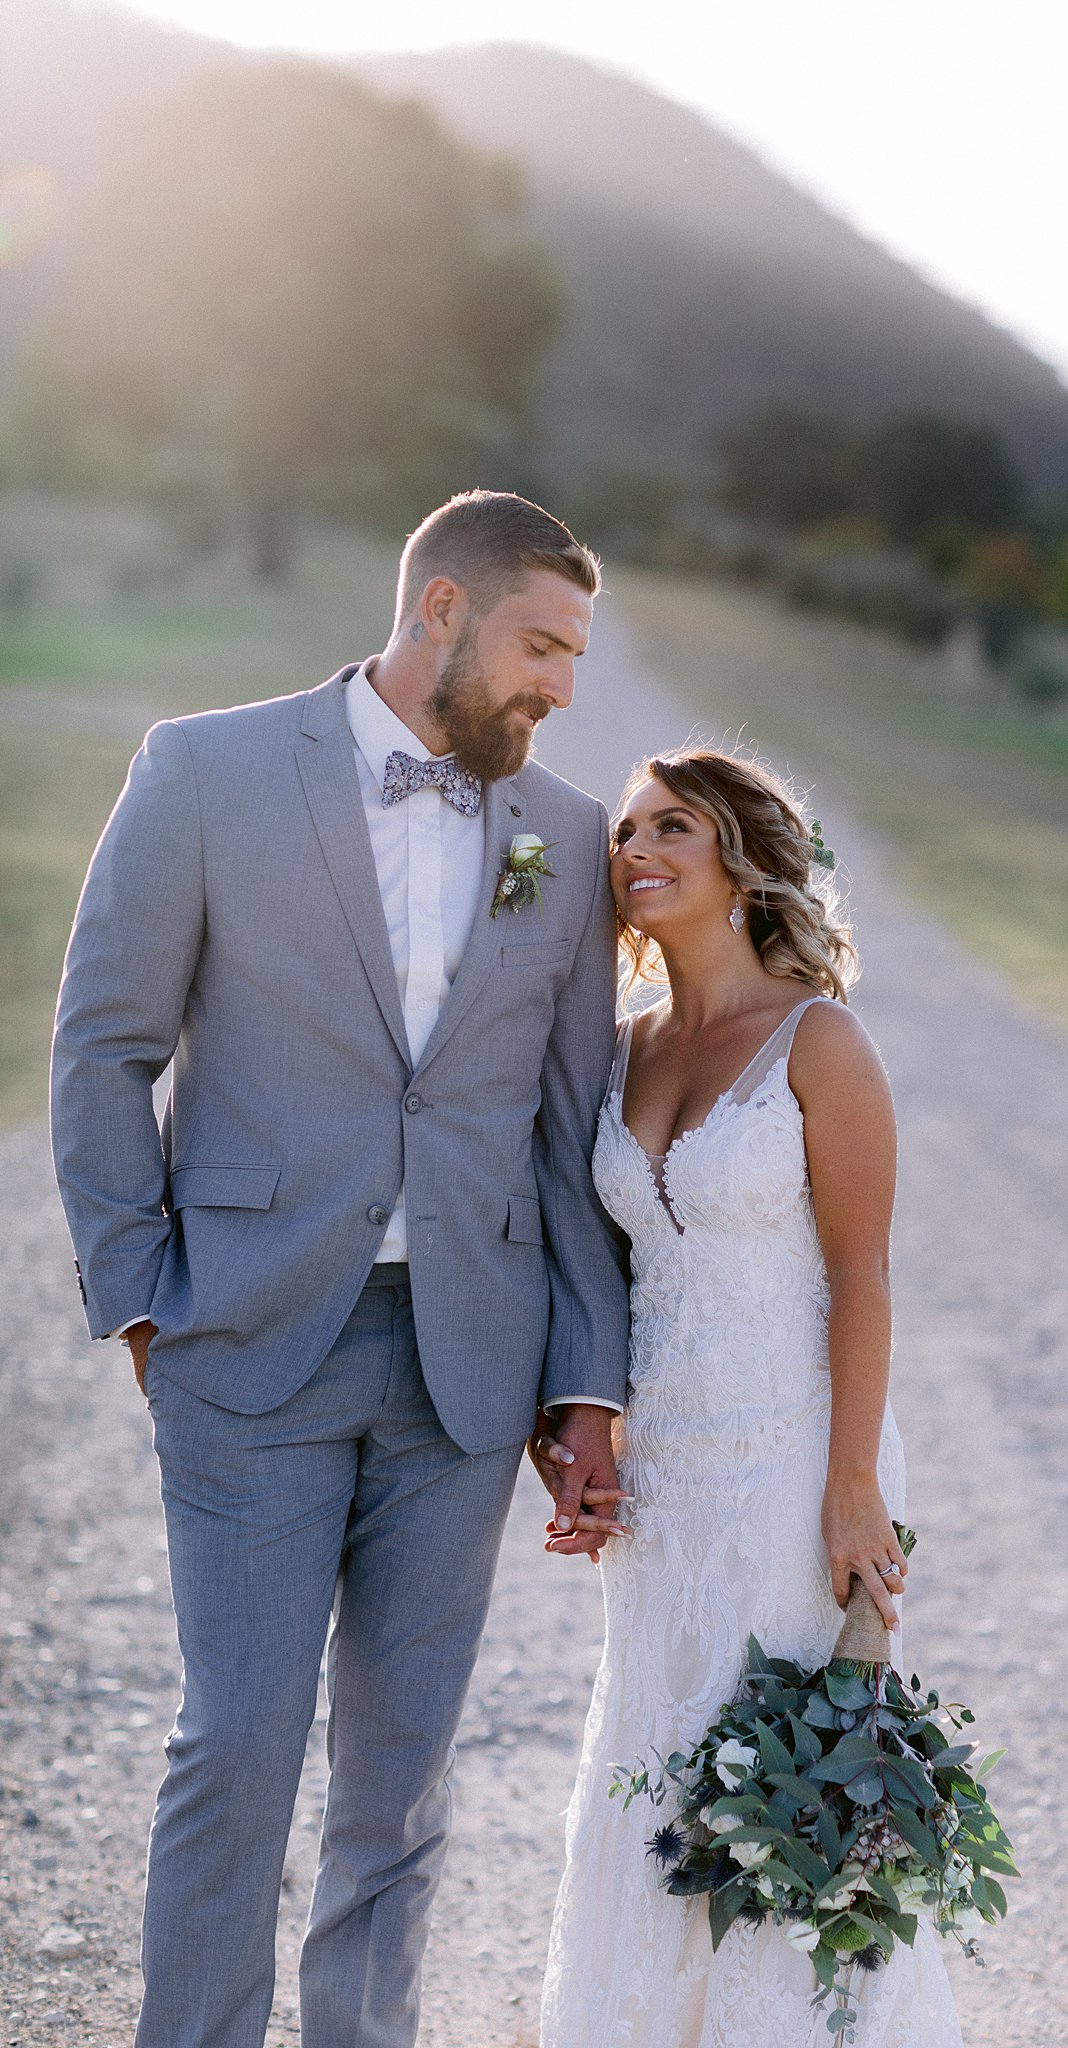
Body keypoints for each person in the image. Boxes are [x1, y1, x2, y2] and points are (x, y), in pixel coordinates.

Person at [49, 490, 629, 2048]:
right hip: (246, 1339)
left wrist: (584, 1379)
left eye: (576, 655)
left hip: (465, 1367)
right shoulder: (207, 771)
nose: (562, 686)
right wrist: (140, 1288)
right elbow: (105, 1045)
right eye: (541, 645)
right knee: (235, 1747)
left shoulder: (561, 838)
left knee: (404, 1776)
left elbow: (570, 1126)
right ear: (437, 610)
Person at [538, 749, 963, 2048]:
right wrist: (579, 1431)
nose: (636, 849)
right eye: (625, 832)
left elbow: (862, 1276)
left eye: (673, 825)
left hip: (793, 1464)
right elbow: (586, 1274)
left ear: (741, 861)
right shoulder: (613, 1051)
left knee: (785, 1764)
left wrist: (853, 1490)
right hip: (662, 1472)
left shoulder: (817, 1040)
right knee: (655, 1754)